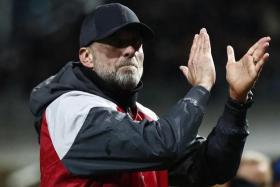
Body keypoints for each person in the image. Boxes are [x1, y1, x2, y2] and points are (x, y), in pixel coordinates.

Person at [29, 3, 271, 187]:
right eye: (116, 42)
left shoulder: (144, 118)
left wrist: (236, 102)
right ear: (86, 57)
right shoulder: (68, 110)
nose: (130, 51)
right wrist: (201, 87)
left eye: (136, 43)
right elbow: (162, 145)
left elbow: (213, 166)